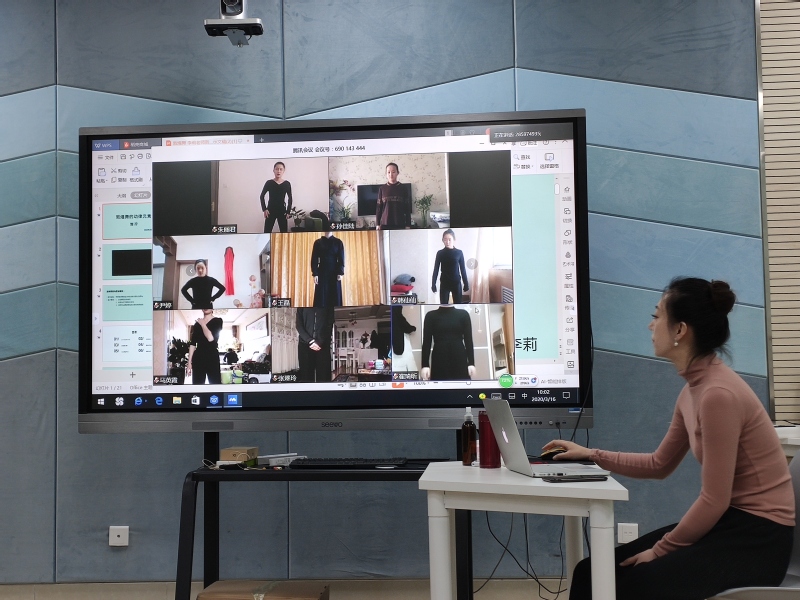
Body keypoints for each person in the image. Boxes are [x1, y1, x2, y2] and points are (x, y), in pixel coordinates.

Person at [543, 277, 795, 600]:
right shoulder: (693, 389)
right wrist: (591, 454)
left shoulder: (717, 395)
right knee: (589, 573)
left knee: (636, 582)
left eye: (657, 315)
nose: (651, 325)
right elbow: (659, 464)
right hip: (730, 524)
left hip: (758, 542)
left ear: (680, 330)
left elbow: (714, 500)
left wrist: (660, 550)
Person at [431, 229, 469, 304]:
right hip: (444, 283)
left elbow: (463, 269)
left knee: (458, 306)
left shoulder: (459, 253)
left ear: (454, 239)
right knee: (443, 306)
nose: (447, 242)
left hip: (456, 283)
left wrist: (466, 283)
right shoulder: (440, 253)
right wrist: (433, 284)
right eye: (445, 239)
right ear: (443, 240)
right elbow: (436, 269)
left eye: (449, 239)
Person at [186, 309, 224, 384]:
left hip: (212, 356)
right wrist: (189, 363)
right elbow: (193, 344)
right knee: (197, 384)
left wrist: (203, 324)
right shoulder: (197, 324)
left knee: (215, 383)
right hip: (198, 357)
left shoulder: (218, 321)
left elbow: (210, 338)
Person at [296, 307, 333, 383]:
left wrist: (320, 341)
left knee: (324, 377)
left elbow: (329, 325)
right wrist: (310, 340)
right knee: (306, 377)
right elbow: (299, 325)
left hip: (323, 345)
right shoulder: (302, 304)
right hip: (305, 344)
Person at [311, 231, 344, 307]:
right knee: (321, 297)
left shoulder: (338, 242)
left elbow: (341, 259)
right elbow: (314, 259)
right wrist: (315, 274)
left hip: (335, 273)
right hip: (322, 272)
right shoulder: (318, 243)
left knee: (335, 296)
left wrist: (340, 272)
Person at [375, 162, 411, 230]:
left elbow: (407, 208)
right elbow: (379, 208)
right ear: (386, 174)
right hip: (385, 224)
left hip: (400, 223)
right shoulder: (382, 189)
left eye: (393, 172)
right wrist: (377, 224)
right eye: (388, 172)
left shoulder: (403, 188)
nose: (391, 174)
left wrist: (408, 224)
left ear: (397, 173)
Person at [260, 161, 293, 233]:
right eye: (277, 169)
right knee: (267, 232)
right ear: (273, 170)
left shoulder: (287, 184)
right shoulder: (269, 183)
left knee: (284, 233)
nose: (279, 171)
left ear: (283, 171)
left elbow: (290, 198)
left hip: (282, 211)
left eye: (281, 169)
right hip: (270, 210)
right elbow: (262, 196)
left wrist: (288, 211)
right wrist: (264, 209)